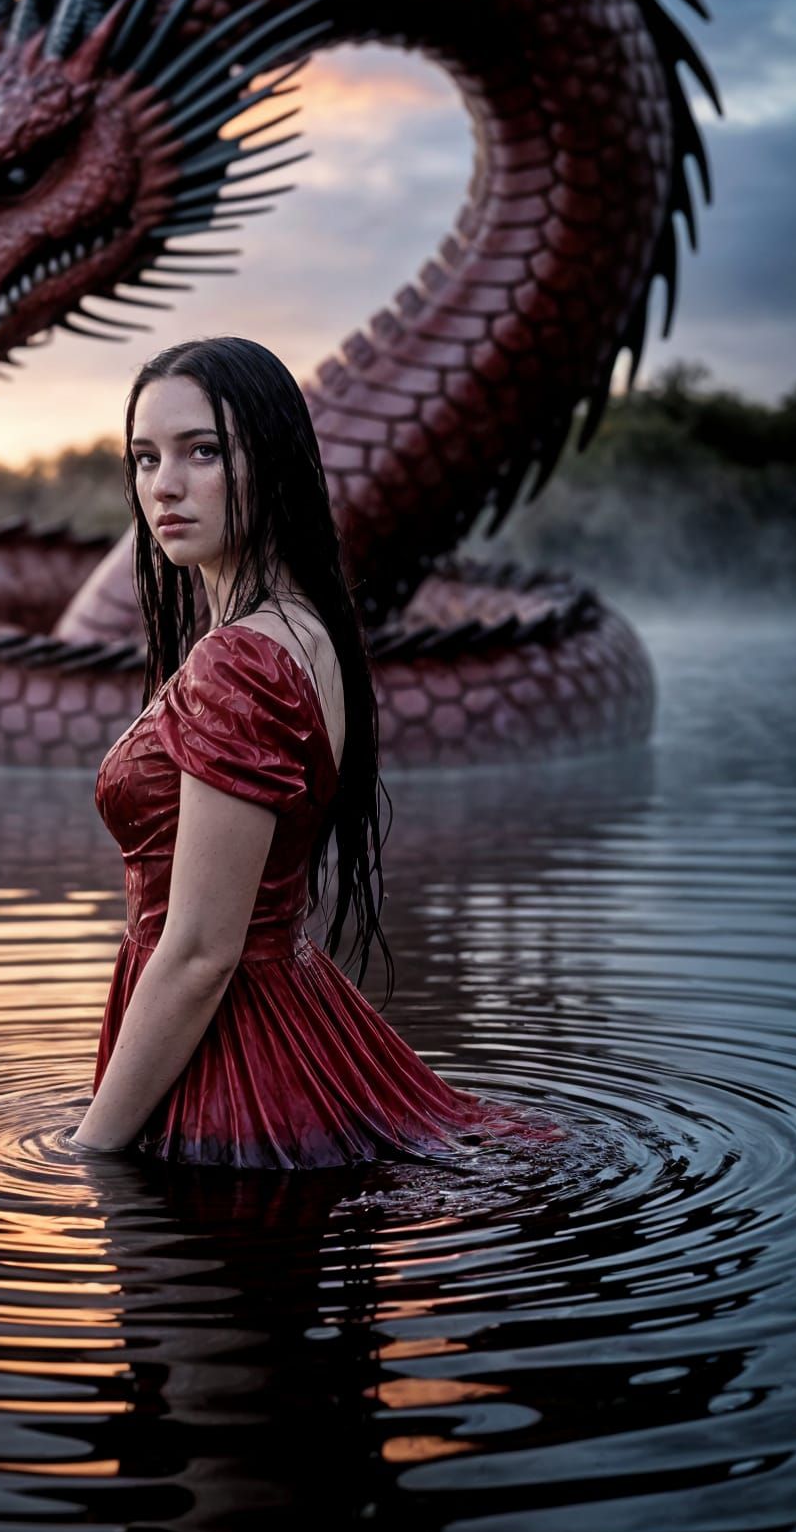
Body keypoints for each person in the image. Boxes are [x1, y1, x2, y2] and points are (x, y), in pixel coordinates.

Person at [71, 336, 556, 1168]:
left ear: (275, 462)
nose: (165, 485)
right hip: (283, 1017)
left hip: (235, 1065)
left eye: (204, 451)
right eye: (145, 458)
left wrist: (87, 1154)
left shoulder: (241, 661)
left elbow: (197, 951)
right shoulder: (306, 632)